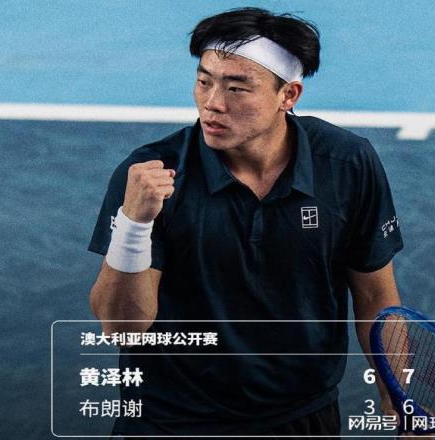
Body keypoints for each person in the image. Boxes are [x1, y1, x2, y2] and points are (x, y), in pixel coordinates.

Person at [89, 7, 404, 438]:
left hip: (303, 417)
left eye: (236, 88)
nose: (212, 103)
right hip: (170, 422)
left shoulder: (346, 163)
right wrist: (134, 225)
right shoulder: (152, 173)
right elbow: (122, 329)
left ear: (288, 95)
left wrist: (399, 394)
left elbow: (376, 296)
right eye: (204, 81)